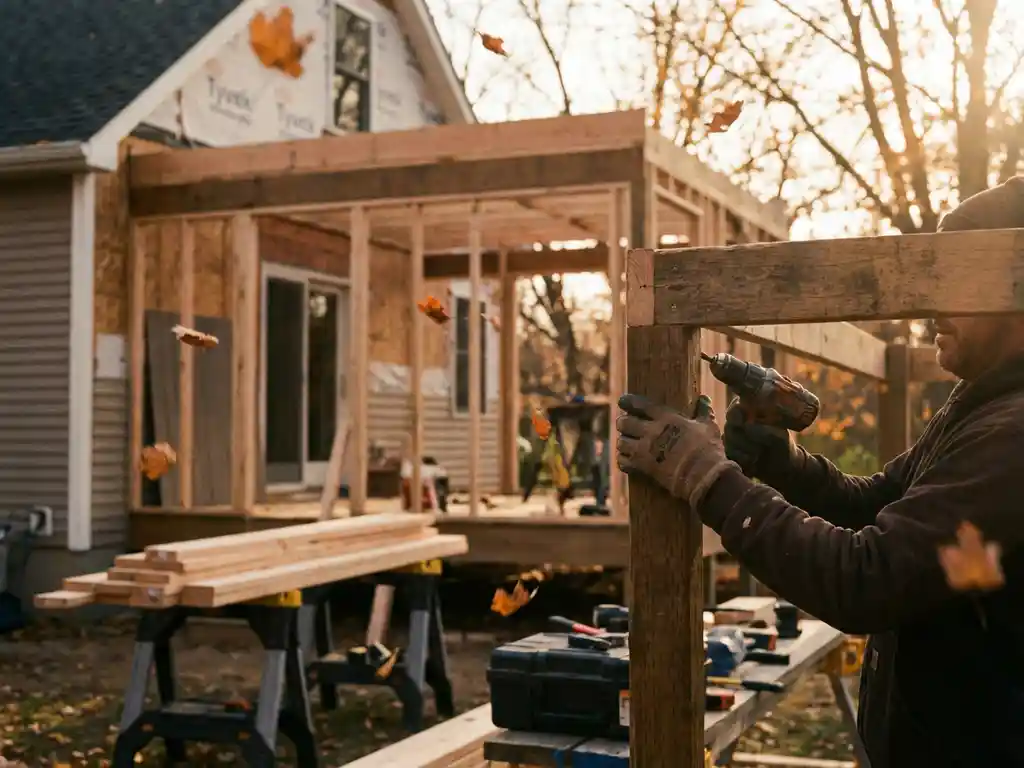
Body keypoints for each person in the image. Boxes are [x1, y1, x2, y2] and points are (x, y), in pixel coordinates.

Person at [614, 177, 1024, 768]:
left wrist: (705, 478)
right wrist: (784, 465)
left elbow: (868, 579)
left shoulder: (1013, 437)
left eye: (953, 283)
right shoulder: (979, 404)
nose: (932, 304)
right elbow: (879, 502)